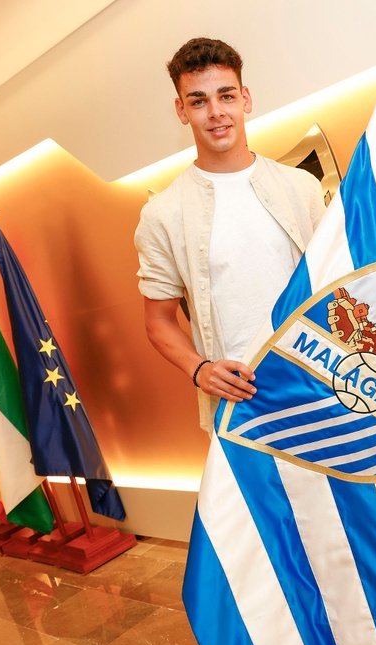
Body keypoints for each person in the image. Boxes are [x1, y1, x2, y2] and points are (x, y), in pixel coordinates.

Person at [134, 38, 325, 432]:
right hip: (240, 402)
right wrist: (199, 369)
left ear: (246, 99)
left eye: (226, 96)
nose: (216, 112)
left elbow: (335, 280)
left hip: (321, 383)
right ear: (181, 110)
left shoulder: (300, 187)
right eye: (199, 101)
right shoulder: (162, 214)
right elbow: (158, 320)